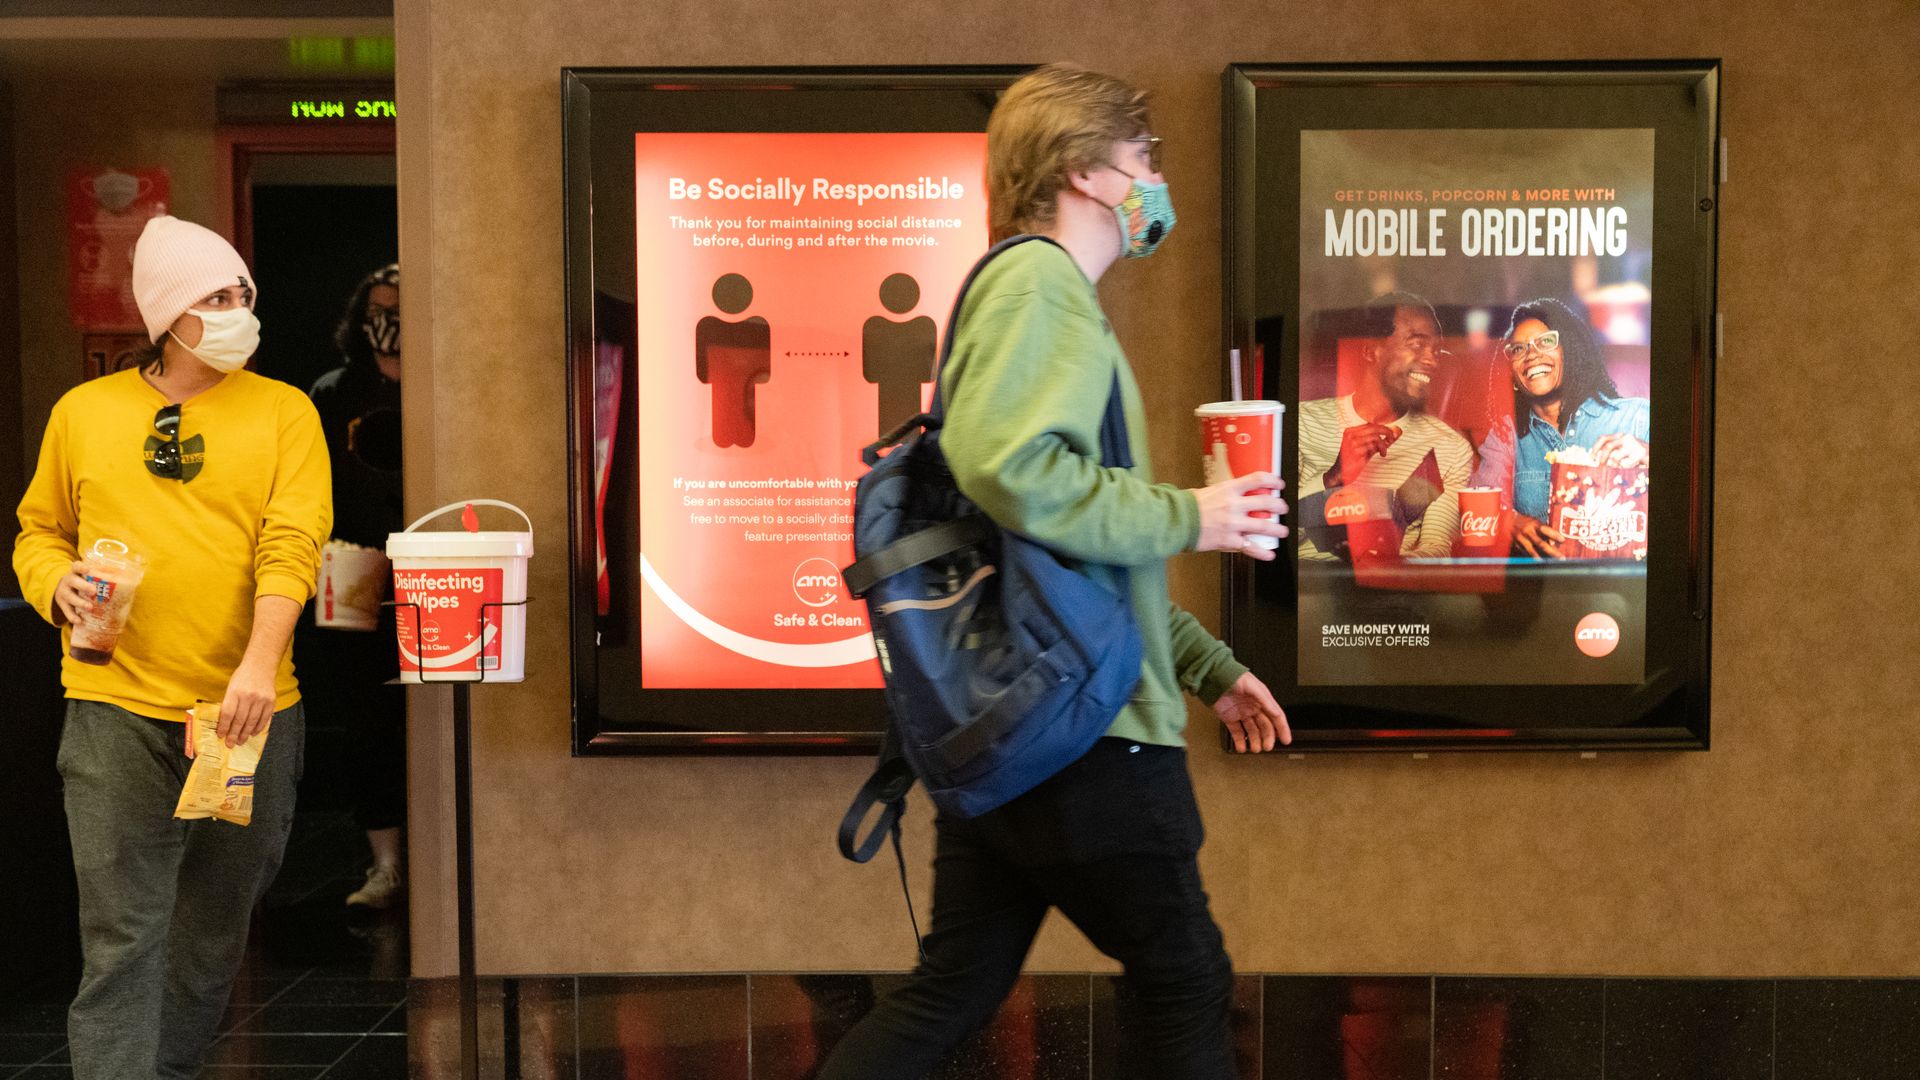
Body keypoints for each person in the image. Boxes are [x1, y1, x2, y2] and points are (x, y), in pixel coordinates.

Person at [815, 64, 1290, 1080]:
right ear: (1087, 172)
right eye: (1143, 159)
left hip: (1025, 727)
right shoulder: (1037, 284)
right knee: (1185, 982)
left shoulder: (1027, 288)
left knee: (951, 990)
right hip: (1092, 734)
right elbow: (1011, 472)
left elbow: (1059, 551)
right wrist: (1194, 514)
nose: (1155, 180)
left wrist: (1205, 663)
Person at [13, 215, 331, 1079]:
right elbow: (39, 532)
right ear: (166, 314)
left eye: (241, 295)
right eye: (214, 297)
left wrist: (258, 667)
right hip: (113, 707)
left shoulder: (284, 412)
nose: (237, 311)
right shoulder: (84, 413)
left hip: (240, 713)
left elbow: (291, 544)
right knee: (122, 932)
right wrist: (55, 584)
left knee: (210, 927)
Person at [307, 264, 408, 911]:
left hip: (438, 563)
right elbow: (310, 486)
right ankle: (387, 866)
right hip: (354, 567)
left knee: (447, 715)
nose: (390, 320)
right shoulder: (333, 391)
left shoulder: (449, 377)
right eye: (380, 308)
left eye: (402, 308)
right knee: (368, 720)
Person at [1295, 292, 1474, 561]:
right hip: (1312, 589)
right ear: (1370, 350)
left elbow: (1437, 548)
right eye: (1417, 344)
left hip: (1398, 589)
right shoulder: (1303, 421)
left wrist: (1384, 566)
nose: (1432, 360)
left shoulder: (1451, 447)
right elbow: (1271, 536)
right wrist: (1333, 478)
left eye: (1437, 350)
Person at [1469, 297, 1650, 559]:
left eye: (1546, 341)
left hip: (1621, 584)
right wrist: (1509, 521)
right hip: (1540, 586)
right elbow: (1477, 508)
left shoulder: (1636, 417)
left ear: (1572, 352)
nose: (1531, 355)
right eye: (1518, 349)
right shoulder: (1506, 436)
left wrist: (1648, 453)